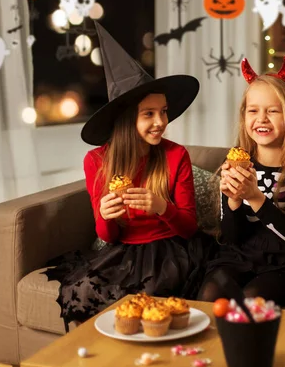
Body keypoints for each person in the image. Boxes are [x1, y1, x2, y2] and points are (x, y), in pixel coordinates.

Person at [44, 22, 203, 329]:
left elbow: (188, 229)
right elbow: (108, 237)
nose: (161, 122)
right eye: (149, 114)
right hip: (123, 251)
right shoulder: (97, 161)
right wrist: (104, 216)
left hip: (171, 248)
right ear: (127, 120)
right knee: (83, 289)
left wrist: (161, 207)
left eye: (164, 111)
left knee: (153, 297)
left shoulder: (175, 155)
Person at [197, 57, 285, 307]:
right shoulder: (235, 165)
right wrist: (232, 201)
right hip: (237, 258)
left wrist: (255, 198)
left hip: (283, 265)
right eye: (253, 110)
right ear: (244, 117)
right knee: (210, 293)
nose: (261, 118)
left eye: (273, 111)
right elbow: (231, 237)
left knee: (253, 299)